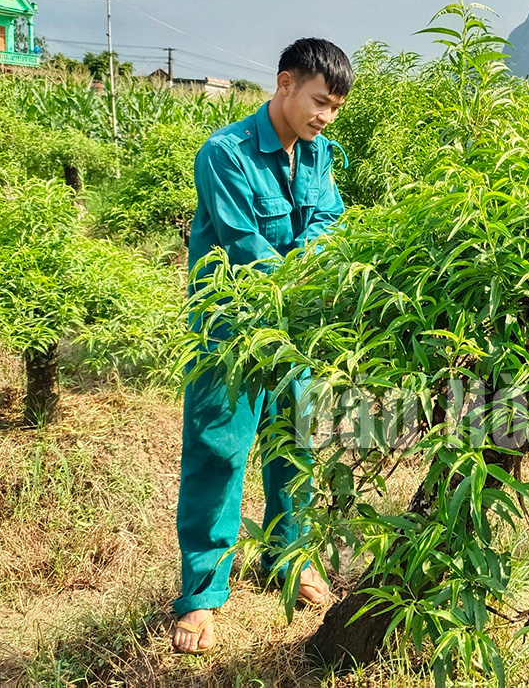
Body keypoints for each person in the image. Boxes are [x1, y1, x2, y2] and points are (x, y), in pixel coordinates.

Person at [172, 38, 352, 654]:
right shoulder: (225, 154)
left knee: (295, 442)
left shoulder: (321, 154)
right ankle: (201, 595)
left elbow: (329, 221)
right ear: (284, 84)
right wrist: (304, 281)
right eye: (318, 102)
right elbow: (243, 242)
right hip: (229, 330)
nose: (325, 117)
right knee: (219, 452)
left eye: (334, 108)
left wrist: (312, 282)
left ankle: (291, 559)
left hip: (294, 328)